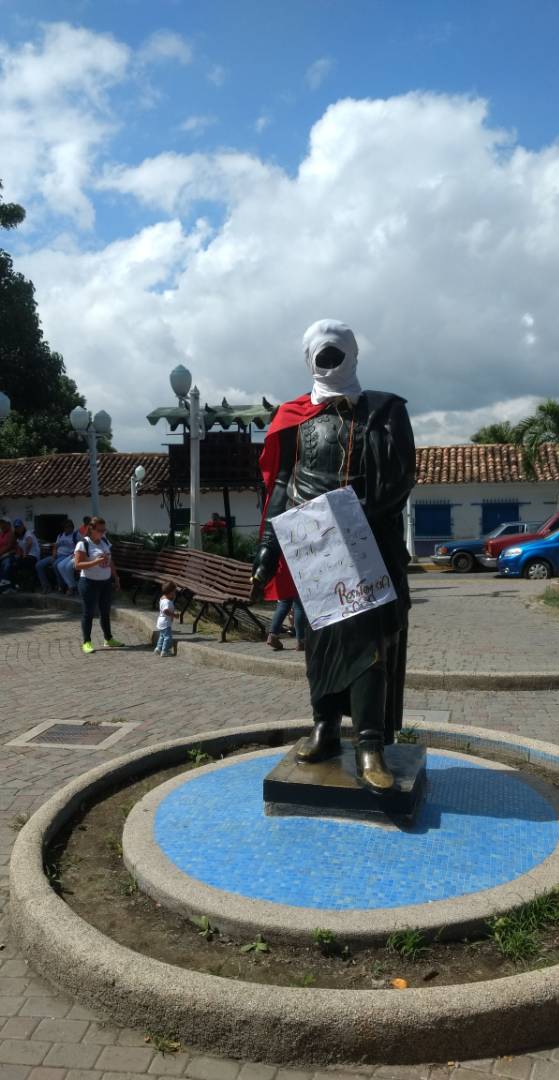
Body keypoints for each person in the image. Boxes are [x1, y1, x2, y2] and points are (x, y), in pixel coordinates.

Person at [251, 319, 416, 795]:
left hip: (366, 549)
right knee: (317, 642)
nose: (329, 361)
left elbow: (400, 478)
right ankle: (325, 729)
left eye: (336, 353)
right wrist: (266, 549)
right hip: (312, 552)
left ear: (353, 354)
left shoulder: (385, 412)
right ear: (308, 359)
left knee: (368, 648)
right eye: (321, 355)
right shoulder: (293, 416)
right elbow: (281, 484)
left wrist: (351, 516)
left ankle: (369, 744)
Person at [74, 516, 123, 655]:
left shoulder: (105, 541)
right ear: (92, 529)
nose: (102, 532)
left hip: (105, 582)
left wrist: (116, 576)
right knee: (88, 613)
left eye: (104, 530)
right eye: (100, 530)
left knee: (105, 611)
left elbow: (110, 561)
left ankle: (108, 638)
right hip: (88, 583)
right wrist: (95, 562)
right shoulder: (83, 544)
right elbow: (77, 565)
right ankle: (87, 642)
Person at [35, 519, 78, 593]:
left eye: (69, 527)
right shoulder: (60, 535)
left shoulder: (75, 535)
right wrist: (54, 554)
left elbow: (79, 546)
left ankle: (61, 586)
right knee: (39, 565)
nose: (68, 529)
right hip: (57, 555)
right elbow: (55, 546)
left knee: (56, 565)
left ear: (72, 527)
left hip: (66, 556)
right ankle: (46, 586)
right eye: (66, 527)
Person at [57, 515, 92, 593]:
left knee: (68, 567)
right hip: (76, 554)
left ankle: (71, 587)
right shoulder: (82, 531)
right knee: (60, 566)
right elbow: (81, 543)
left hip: (86, 556)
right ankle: (72, 585)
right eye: (86, 524)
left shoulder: (94, 533)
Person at [12, 519, 40, 589]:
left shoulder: (28, 533)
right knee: (13, 563)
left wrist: (25, 553)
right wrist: (18, 555)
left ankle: (22, 584)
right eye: (16, 527)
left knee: (18, 564)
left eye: (19, 527)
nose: (18, 529)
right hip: (26, 556)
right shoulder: (18, 537)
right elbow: (19, 548)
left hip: (33, 556)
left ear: (22, 526)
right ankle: (17, 584)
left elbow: (29, 543)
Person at [155, 580, 177, 657]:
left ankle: (158, 648)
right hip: (165, 622)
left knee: (162, 636)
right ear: (170, 593)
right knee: (168, 637)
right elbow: (166, 611)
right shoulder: (167, 602)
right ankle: (165, 651)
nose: (175, 594)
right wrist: (173, 615)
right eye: (174, 592)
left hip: (161, 621)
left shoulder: (162, 598)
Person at [0, 519, 15, 584]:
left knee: (6, 564)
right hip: (2, 554)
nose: (2, 525)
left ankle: (4, 583)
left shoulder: (11, 533)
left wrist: (0, 553)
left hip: (9, 554)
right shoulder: (1, 534)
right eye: (1, 524)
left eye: (4, 523)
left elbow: (9, 546)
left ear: (8, 524)